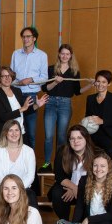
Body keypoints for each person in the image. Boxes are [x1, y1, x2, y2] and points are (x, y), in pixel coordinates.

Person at [41, 44, 93, 172]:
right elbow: (45, 88)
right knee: (48, 136)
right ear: (59, 54)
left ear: (70, 56)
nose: (64, 56)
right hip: (50, 103)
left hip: (65, 104)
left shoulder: (74, 72)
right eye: (62, 53)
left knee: (62, 136)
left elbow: (77, 92)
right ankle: (47, 163)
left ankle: (60, 163)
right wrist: (55, 82)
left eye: (67, 54)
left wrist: (90, 85)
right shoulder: (51, 69)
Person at [0, 66, 47, 147]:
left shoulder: (17, 91)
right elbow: (3, 116)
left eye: (9, 75)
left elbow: (24, 110)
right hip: (5, 135)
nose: (7, 78)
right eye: (4, 76)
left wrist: (36, 105)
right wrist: (22, 108)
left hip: (21, 132)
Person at [11, 27, 48, 149]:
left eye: (28, 37)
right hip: (15, 95)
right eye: (24, 37)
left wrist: (31, 80)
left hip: (31, 96)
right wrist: (18, 82)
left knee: (30, 132)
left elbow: (44, 77)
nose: (26, 39)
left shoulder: (42, 55)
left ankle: (30, 164)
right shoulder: (16, 54)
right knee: (15, 130)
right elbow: (11, 76)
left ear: (34, 38)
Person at [49, 125, 97, 220]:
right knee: (57, 193)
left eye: (79, 137)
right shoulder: (62, 152)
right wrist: (73, 187)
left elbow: (96, 178)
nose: (76, 141)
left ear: (86, 139)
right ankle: (65, 223)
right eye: (72, 138)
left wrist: (80, 190)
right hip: (68, 187)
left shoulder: (96, 154)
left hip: (87, 189)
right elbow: (59, 176)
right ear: (69, 141)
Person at [0, 120, 37, 205]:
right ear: (5, 133)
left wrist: (17, 189)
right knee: (8, 198)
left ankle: (31, 219)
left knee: (31, 196)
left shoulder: (29, 151)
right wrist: (11, 189)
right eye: (10, 130)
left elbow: (30, 176)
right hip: (1, 187)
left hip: (23, 187)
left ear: (20, 132)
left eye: (16, 130)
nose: (14, 133)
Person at [85, 69, 112, 168]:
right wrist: (86, 120)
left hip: (109, 137)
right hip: (92, 136)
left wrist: (102, 121)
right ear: (95, 82)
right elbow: (86, 116)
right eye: (98, 81)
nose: (100, 84)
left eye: (104, 82)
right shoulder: (90, 98)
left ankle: (111, 181)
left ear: (109, 83)